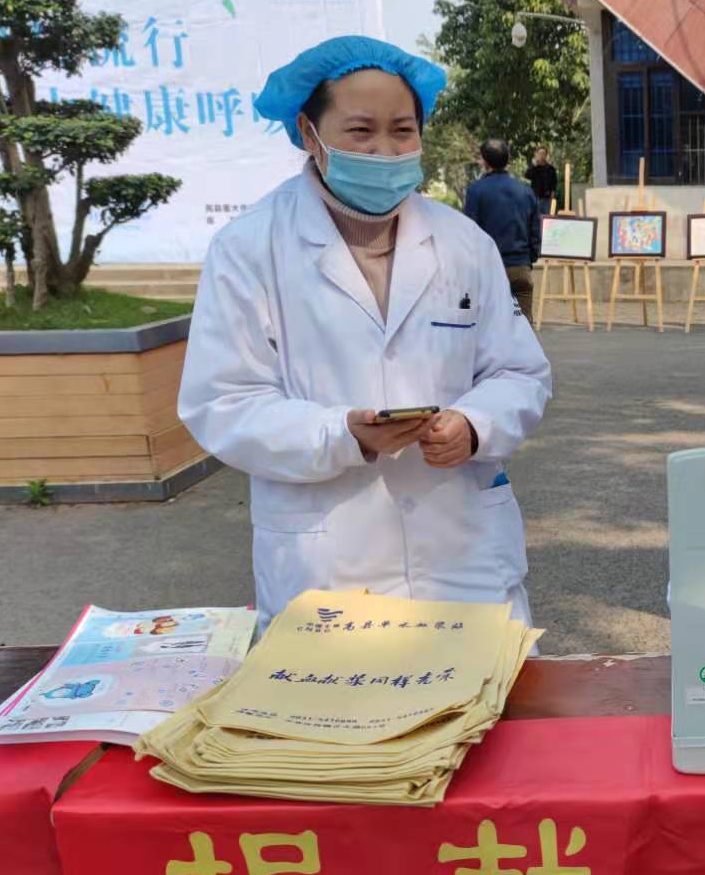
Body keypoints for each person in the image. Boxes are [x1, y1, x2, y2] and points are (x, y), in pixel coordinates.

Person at [179, 36, 552, 632]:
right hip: (329, 565)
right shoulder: (250, 248)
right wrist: (341, 434)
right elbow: (222, 402)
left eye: (402, 131)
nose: (385, 150)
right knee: (336, 690)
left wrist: (475, 424)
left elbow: (518, 371)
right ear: (309, 133)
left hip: (463, 556)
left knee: (487, 688)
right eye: (360, 131)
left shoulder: (463, 243)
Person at [464, 139, 542, 323]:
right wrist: (528, 260)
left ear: (484, 162)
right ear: (508, 160)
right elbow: (535, 231)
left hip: (488, 271)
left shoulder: (476, 191)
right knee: (523, 328)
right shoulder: (526, 191)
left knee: (489, 328)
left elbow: (469, 233)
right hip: (520, 270)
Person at [525, 145, 558, 212]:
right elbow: (527, 175)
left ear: (546, 155)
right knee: (535, 216)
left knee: (546, 216)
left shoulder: (551, 169)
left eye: (543, 153)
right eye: (540, 153)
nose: (542, 155)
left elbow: (554, 182)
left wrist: (553, 193)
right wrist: (534, 165)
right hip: (536, 197)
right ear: (537, 154)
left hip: (547, 198)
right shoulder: (534, 167)